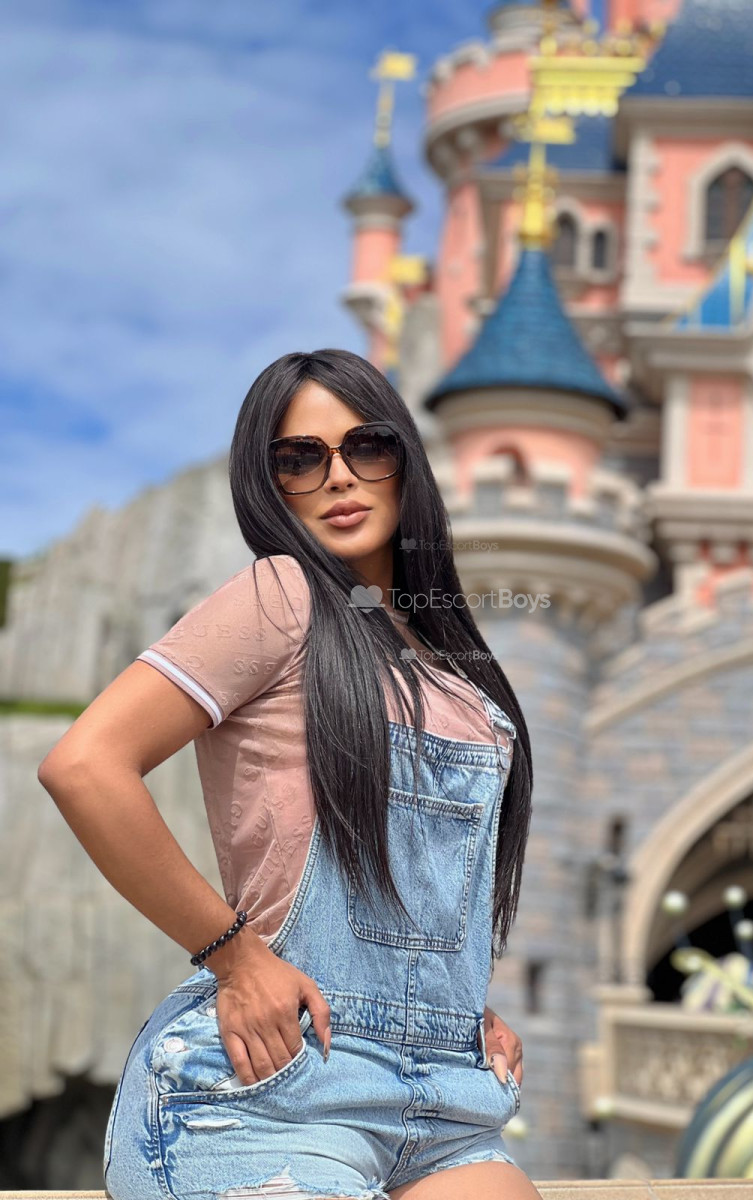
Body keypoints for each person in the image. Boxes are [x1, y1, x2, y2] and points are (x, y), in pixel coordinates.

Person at [38, 348, 541, 1200]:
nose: (338, 476)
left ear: (406, 462)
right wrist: (235, 958)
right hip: (270, 1090)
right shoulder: (281, 596)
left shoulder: (460, 676)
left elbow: (425, 901)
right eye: (300, 459)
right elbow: (84, 765)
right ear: (270, 485)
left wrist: (454, 1008)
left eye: (367, 447)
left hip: (447, 1101)